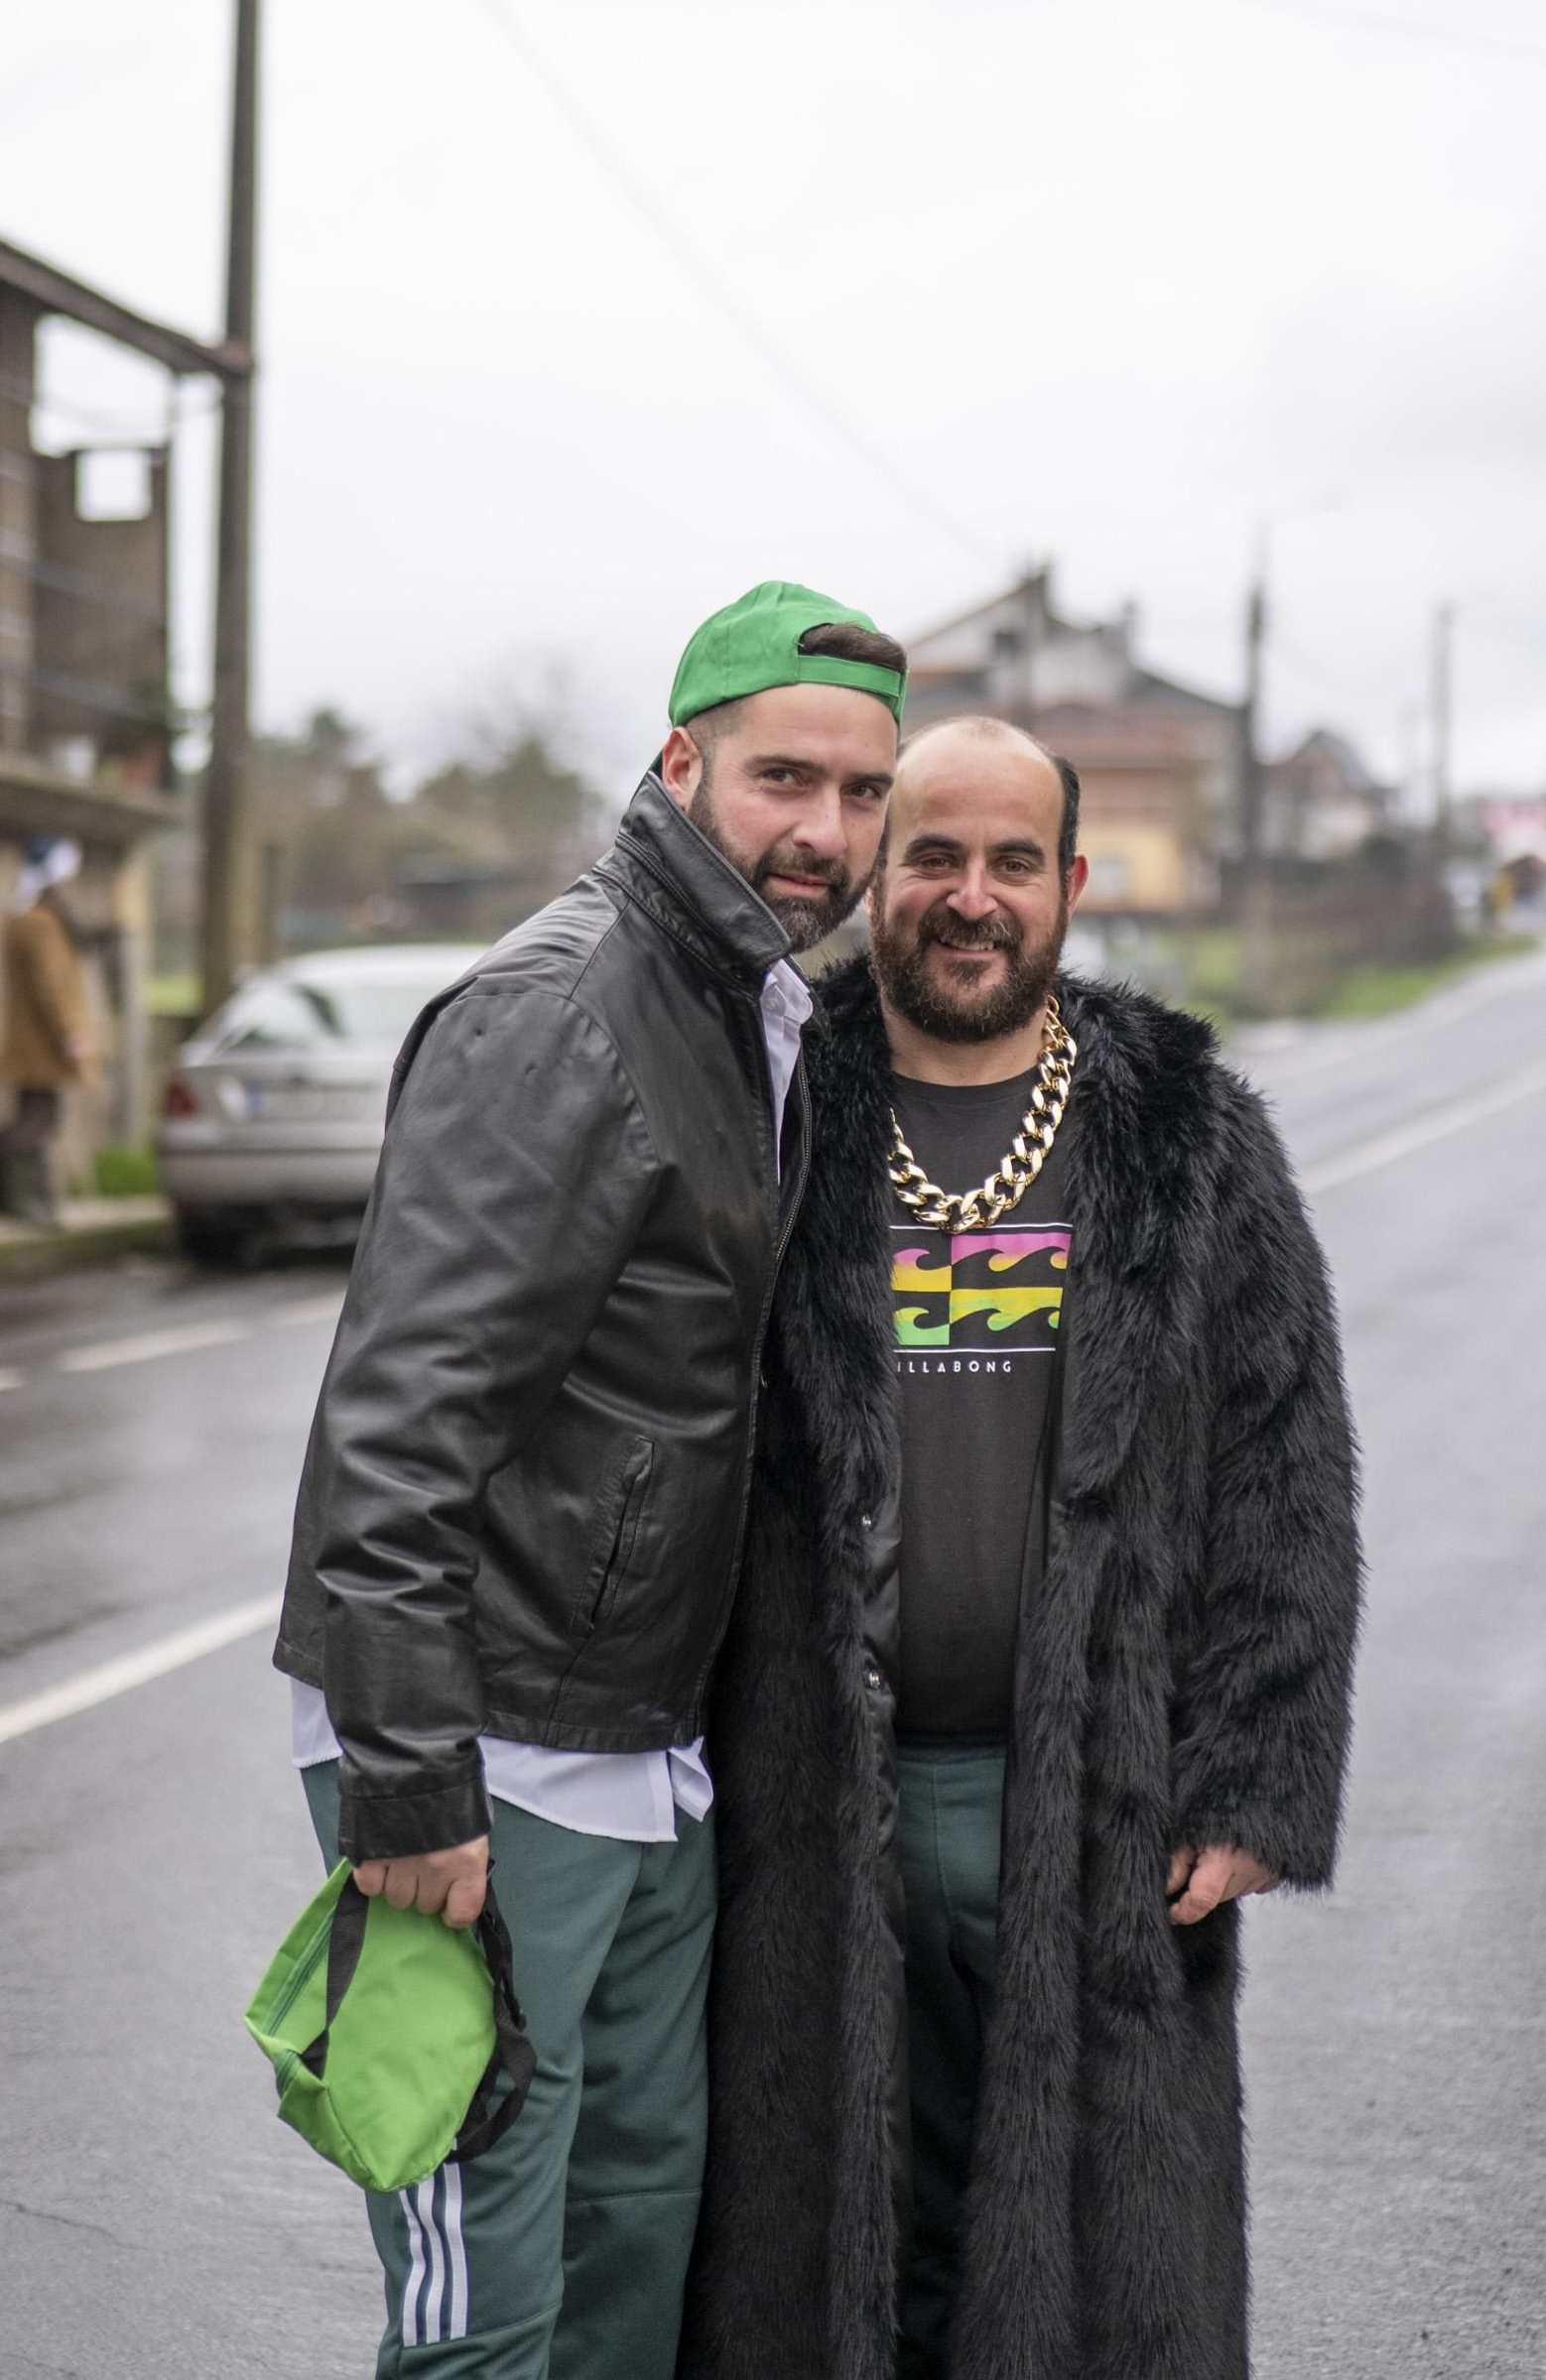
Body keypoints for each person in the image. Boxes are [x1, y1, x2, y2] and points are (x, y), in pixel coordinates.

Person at [273, 581, 906, 2380]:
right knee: (487, 2291)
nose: (826, 832)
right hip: (477, 1737)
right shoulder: (570, 1004)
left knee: (639, 2224)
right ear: (681, 758)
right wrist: (410, 1784)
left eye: (865, 793)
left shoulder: (742, 998)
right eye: (788, 777)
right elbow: (398, 1418)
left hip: (634, 1733)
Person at [681, 715, 1362, 2380]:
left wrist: (1259, 1778)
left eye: (1008, 862)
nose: (968, 896)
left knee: (1092, 2278)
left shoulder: (1190, 1129)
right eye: (932, 855)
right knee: (832, 2261)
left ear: (1066, 883)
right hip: (806, 1803)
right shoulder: (766, 1109)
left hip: (1098, 1809)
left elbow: (1288, 1471)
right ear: (875, 877)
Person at [1, 835, 92, 1226]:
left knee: (39, 1114)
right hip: (41, 1042)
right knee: (36, 1118)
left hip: (34, 1040)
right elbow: (50, 985)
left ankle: (34, 1200)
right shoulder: (39, 923)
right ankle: (25, 1201)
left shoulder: (33, 920)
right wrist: (69, 1033)